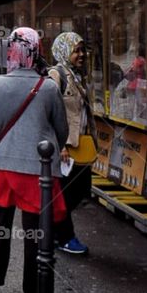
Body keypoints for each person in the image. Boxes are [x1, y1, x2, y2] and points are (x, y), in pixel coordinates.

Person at [0, 27, 68, 293]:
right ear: (36, 50)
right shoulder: (48, 87)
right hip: (38, 169)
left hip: (4, 164)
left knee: (0, 223)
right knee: (35, 231)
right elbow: (61, 130)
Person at [48, 32, 96, 257]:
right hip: (66, 146)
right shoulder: (56, 75)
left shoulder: (77, 75)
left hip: (82, 143)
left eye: (82, 49)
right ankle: (64, 237)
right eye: (76, 50)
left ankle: (54, 232)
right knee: (66, 194)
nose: (81, 54)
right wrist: (60, 145)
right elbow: (50, 113)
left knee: (81, 189)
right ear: (63, 51)